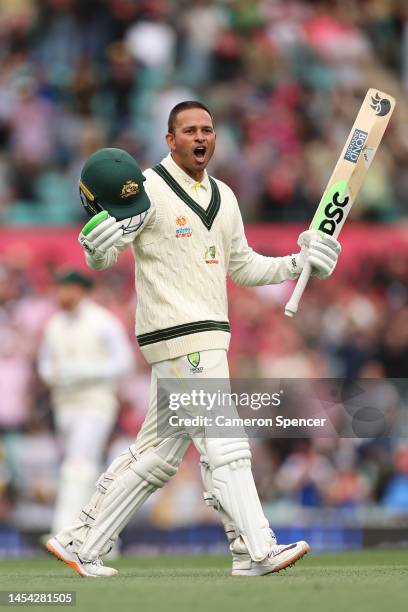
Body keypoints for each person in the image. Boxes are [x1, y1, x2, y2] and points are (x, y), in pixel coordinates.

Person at [46, 101, 341, 577]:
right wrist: (94, 251)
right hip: (178, 334)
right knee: (224, 441)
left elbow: (243, 266)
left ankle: (81, 541)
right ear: (171, 139)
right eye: (189, 131)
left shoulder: (224, 195)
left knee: (159, 456)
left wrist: (297, 261)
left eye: (207, 129)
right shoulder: (145, 188)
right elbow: (108, 250)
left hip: (207, 335)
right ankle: (256, 548)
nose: (200, 138)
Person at [38, 269, 134, 535]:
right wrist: (54, 375)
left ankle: (64, 532)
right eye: (59, 288)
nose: (61, 294)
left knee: (77, 465)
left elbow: (123, 363)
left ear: (81, 291)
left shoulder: (103, 322)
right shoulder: (54, 324)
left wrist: (82, 371)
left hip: (95, 402)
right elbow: (45, 363)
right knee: (81, 467)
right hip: (64, 404)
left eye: (66, 288)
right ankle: (98, 534)